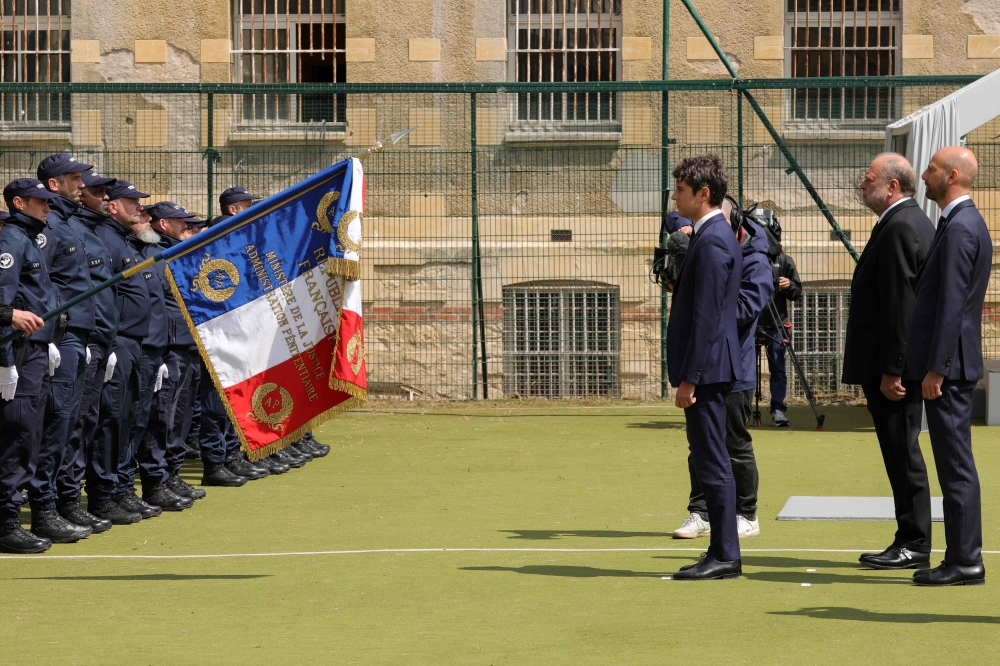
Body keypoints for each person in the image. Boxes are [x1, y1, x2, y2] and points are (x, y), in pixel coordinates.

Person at [843, 154, 935, 571]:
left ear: (892, 187)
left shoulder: (900, 226)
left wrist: (892, 369)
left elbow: (902, 304)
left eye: (868, 180)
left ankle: (914, 542)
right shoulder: (904, 221)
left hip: (895, 369)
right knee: (900, 450)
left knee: (903, 452)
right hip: (895, 364)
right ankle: (908, 537)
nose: (862, 186)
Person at [905, 146, 990, 586]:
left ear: (952, 176)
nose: (924, 174)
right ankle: (961, 556)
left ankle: (965, 559)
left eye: (933, 169)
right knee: (954, 465)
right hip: (950, 365)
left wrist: (936, 368)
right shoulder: (958, 222)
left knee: (955, 466)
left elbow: (952, 306)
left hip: (949, 369)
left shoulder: (960, 228)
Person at [674, 204, 774, 541]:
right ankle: (700, 511)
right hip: (704, 364)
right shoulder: (710, 243)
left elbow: (745, 308)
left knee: (735, 442)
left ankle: (746, 513)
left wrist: (711, 294)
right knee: (699, 442)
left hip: (736, 365)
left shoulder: (755, 260)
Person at [666, 155, 744, 580]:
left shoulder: (714, 240)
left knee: (713, 461)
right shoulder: (709, 234)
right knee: (710, 459)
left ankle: (725, 554)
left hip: (708, 372)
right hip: (709, 370)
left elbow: (709, 316)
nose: (675, 196)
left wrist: (689, 377)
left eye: (680, 190)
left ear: (703, 194)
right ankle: (719, 551)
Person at [27, 154, 100, 544]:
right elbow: (42, 285)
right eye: (74, 179)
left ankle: (56, 502)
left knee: (69, 423)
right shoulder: (49, 225)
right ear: (54, 184)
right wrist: (55, 334)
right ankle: (43, 508)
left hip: (78, 335)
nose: (82, 185)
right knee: (55, 425)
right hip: (61, 335)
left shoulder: (69, 222)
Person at [89, 180, 157, 523]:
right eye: (132, 202)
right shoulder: (107, 239)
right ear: (113, 206)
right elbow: (107, 298)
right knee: (111, 419)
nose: (139, 208)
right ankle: (103, 496)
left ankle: (118, 489)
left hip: (133, 342)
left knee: (127, 418)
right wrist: (111, 343)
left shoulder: (123, 240)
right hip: (118, 341)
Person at [61, 170, 125, 526]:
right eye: (94, 189)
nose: (100, 195)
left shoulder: (92, 232)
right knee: (67, 426)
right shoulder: (67, 230)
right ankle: (61, 503)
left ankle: (78, 499)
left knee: (91, 422)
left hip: (100, 339)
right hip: (74, 339)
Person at [0, 178, 61, 553]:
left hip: (35, 350)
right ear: (19, 203)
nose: (48, 207)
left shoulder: (30, 240)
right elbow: (2, 302)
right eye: (41, 202)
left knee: (30, 435)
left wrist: (49, 339)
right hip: (18, 354)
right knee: (18, 435)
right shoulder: (11, 241)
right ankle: (6, 522)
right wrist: (4, 362)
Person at [122, 209, 192, 511]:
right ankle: (150, 480)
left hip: (165, 344)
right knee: (154, 417)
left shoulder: (158, 253)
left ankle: (162, 477)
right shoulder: (146, 253)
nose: (145, 222)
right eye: (140, 217)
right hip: (152, 347)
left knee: (168, 417)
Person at [757, 232, 801, 427]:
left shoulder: (784, 261)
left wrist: (789, 285)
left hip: (777, 323)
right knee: (745, 370)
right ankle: (742, 408)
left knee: (778, 369)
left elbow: (797, 292)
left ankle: (777, 409)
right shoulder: (749, 258)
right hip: (752, 323)